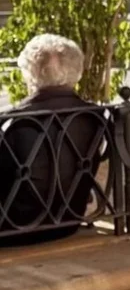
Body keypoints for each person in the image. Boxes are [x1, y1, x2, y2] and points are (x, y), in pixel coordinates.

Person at [0, 34, 103, 240]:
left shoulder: (14, 120)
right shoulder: (94, 116)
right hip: (67, 222)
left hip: (14, 228)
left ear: (29, 74)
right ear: (77, 71)